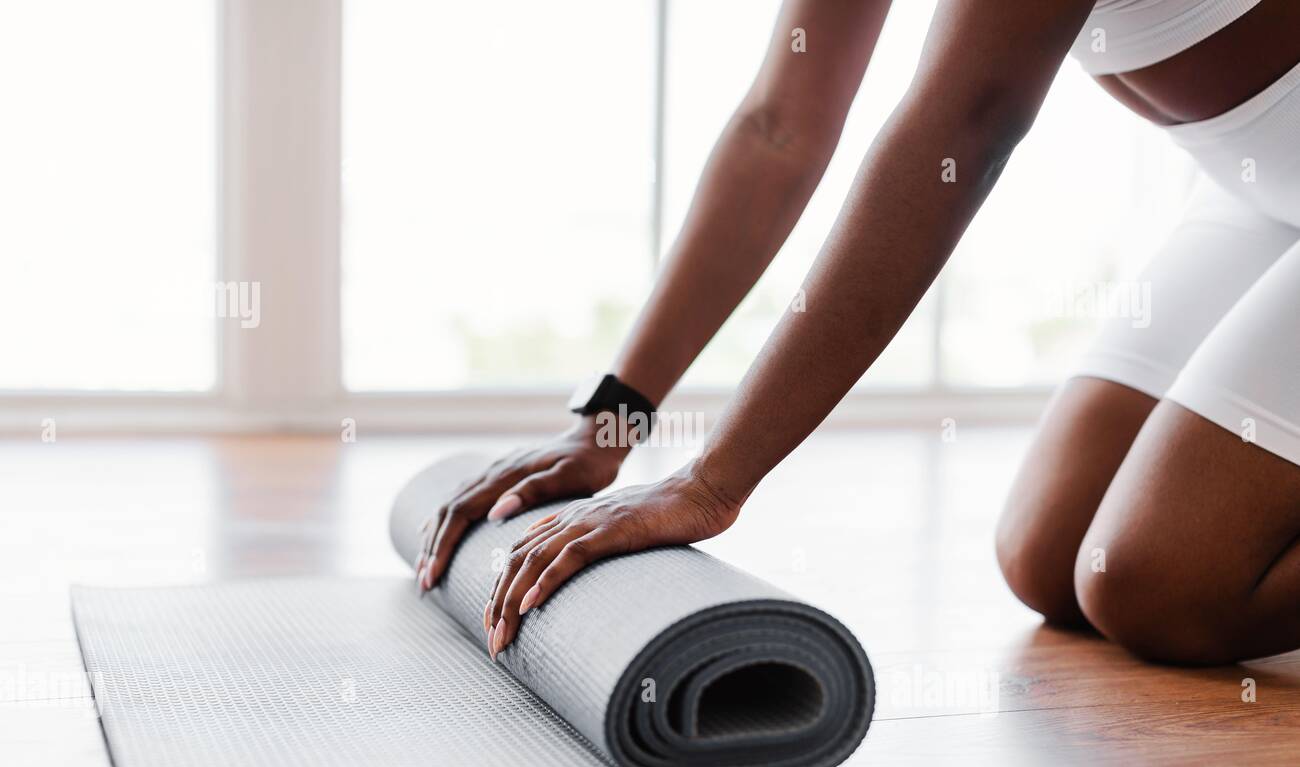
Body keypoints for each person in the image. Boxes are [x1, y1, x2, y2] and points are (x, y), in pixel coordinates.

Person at [417, 0, 1300, 665]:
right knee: (1051, 557)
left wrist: (710, 482)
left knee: (1154, 588)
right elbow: (779, 126)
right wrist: (610, 419)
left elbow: (962, 129)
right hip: (1254, 184)